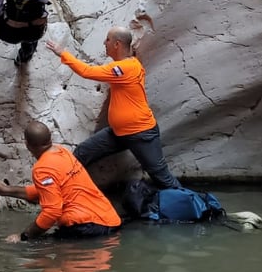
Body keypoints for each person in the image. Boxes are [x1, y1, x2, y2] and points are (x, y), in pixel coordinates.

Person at [45, 28, 182, 190]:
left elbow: (87, 71)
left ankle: (193, 207)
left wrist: (63, 53)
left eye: (107, 40)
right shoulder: (125, 65)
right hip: (119, 133)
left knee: (161, 176)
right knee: (83, 152)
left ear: (117, 44)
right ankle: (61, 191)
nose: (104, 43)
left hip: (141, 134)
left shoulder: (125, 68)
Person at [0, 121, 122, 242]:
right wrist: (6, 191)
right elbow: (48, 191)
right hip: (109, 220)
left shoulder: (42, 168)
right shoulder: (62, 152)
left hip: (88, 228)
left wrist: (23, 236)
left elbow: (52, 212)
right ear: (50, 138)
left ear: (27, 145)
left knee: (30, 248)